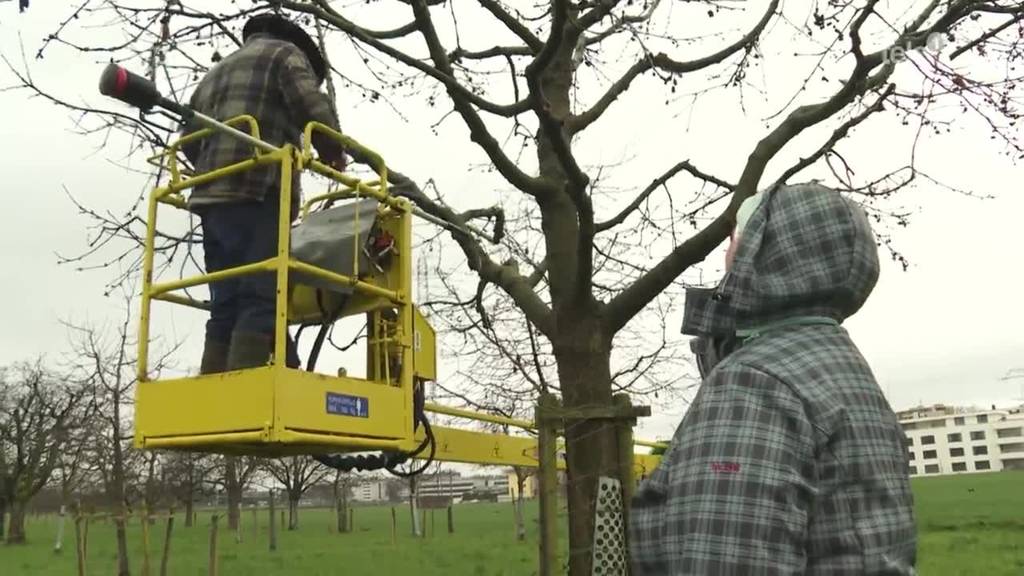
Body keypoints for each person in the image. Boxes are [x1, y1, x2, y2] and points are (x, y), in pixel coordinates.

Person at [630, 183, 917, 574]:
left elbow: (725, 561)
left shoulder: (753, 384)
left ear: (766, 252)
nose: (728, 249)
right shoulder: (841, 368)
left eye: (741, 236)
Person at [179, 13, 347, 374]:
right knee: (261, 295)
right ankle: (243, 390)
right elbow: (311, 107)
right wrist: (333, 149)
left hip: (211, 200)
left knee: (225, 300)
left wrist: (215, 166)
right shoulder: (285, 55)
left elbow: (188, 141)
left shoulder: (213, 74)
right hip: (259, 190)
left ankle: (213, 387)